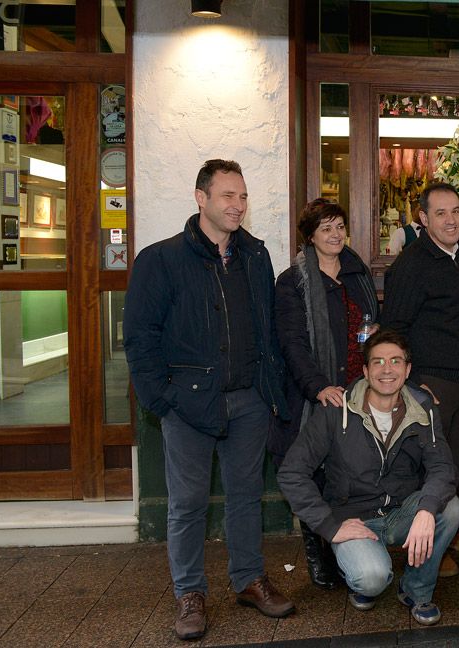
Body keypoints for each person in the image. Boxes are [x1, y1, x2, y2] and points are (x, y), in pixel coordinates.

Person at [123, 159, 294, 641]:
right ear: (201, 199)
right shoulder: (160, 260)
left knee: (246, 499)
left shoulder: (256, 256)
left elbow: (266, 329)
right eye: (228, 196)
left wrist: (270, 391)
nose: (238, 205)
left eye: (242, 197)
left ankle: (248, 580)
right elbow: (139, 338)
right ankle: (190, 594)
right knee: (187, 505)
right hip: (188, 406)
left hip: (249, 402)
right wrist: (163, 400)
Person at [277, 329, 459, 626]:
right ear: (365, 370)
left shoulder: (422, 408)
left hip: (401, 510)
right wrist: (330, 526)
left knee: (450, 508)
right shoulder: (336, 410)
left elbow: (442, 467)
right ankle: (362, 577)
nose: (386, 370)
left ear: (407, 369)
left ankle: (416, 590)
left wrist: (427, 509)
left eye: (395, 361)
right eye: (377, 362)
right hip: (353, 517)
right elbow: (291, 472)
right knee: (371, 578)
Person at [272, 198, 379, 589]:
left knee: (346, 471)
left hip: (357, 390)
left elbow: (372, 324)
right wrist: (319, 388)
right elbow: (292, 343)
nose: (335, 234)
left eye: (339, 226)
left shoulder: (357, 272)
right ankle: (318, 551)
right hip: (314, 394)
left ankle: (347, 545)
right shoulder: (293, 281)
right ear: (311, 237)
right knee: (313, 474)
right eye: (326, 228)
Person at [380, 182, 459, 501]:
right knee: (431, 472)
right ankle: (424, 545)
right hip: (432, 385)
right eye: (441, 213)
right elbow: (393, 330)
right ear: (423, 218)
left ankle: (444, 538)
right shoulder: (412, 264)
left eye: (455, 212)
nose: (451, 220)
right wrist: (415, 382)